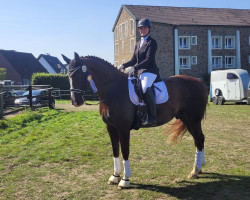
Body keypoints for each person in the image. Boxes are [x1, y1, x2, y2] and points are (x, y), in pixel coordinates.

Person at [118, 18, 161, 126]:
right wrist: (123, 65)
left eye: (145, 28)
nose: (142, 30)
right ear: (139, 30)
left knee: (145, 88)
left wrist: (134, 68)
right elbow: (133, 60)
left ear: (149, 29)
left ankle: (152, 117)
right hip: (140, 72)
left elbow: (148, 59)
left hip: (150, 71)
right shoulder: (138, 43)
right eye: (141, 28)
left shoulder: (152, 42)